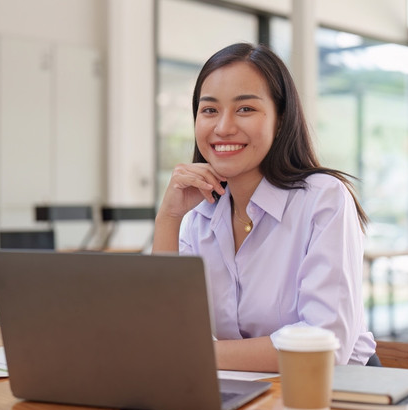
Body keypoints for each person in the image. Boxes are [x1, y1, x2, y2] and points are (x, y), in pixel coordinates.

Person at [153, 42, 377, 372]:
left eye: (245, 109)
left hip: (337, 396)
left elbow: (325, 346)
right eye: (210, 110)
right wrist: (169, 219)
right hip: (246, 392)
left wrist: (199, 354)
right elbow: (166, 333)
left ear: (281, 120)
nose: (223, 127)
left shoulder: (324, 199)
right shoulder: (199, 215)